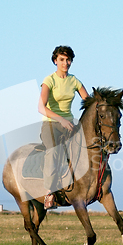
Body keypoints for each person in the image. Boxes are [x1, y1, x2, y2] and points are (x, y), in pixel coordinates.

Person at [38, 46, 89, 209]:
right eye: (61, 59)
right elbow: (41, 107)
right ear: (55, 61)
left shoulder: (74, 80)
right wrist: (61, 120)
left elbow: (88, 101)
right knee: (53, 152)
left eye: (68, 60)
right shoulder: (49, 80)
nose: (65, 63)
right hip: (51, 123)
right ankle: (49, 193)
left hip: (69, 125)